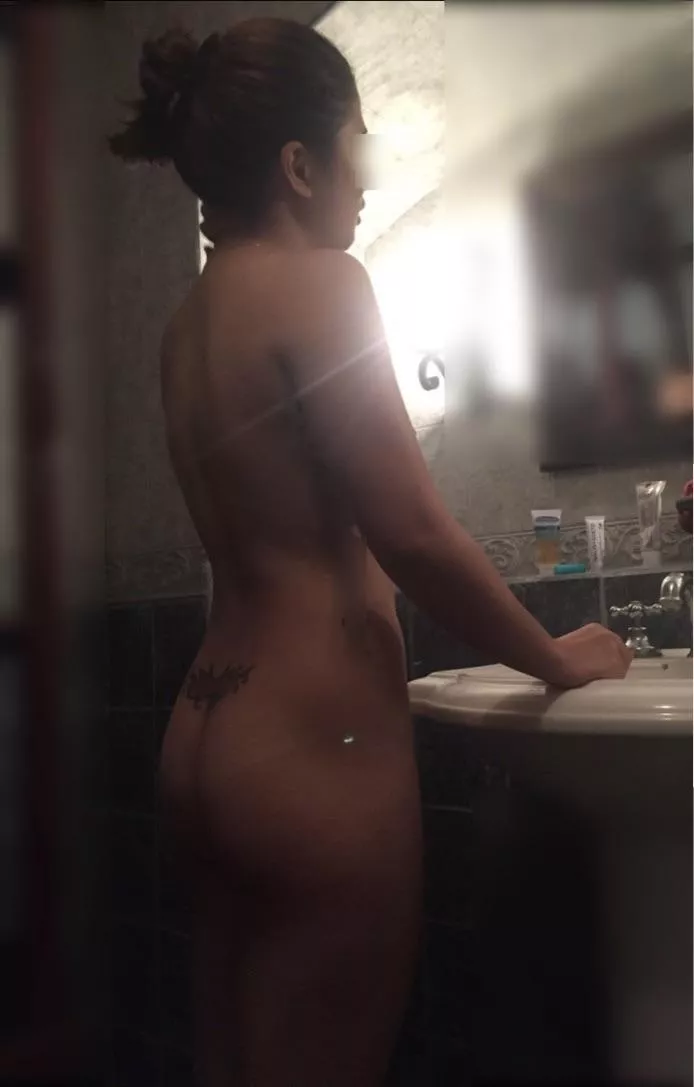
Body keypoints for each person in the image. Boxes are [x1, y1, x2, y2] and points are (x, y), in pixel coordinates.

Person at [109, 18, 632, 1087]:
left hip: (207, 739)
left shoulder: (186, 325)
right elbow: (412, 532)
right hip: (313, 751)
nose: (368, 178)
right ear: (299, 165)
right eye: (358, 143)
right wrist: (555, 656)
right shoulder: (322, 282)